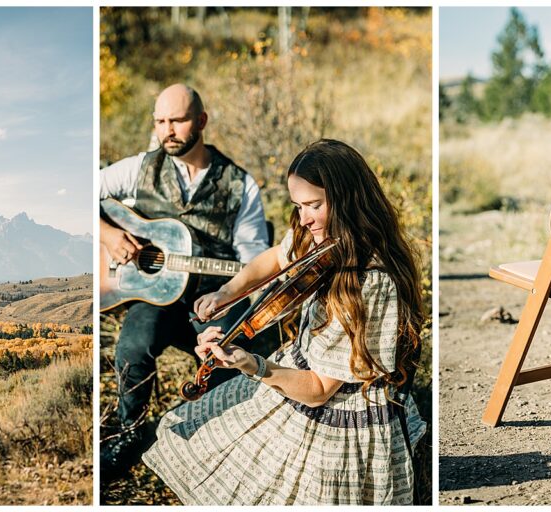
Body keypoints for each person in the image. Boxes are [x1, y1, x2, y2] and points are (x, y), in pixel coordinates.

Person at [142, 139, 428, 505]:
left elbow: (320, 389)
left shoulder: (371, 281)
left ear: (348, 200)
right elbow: (276, 258)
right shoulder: (320, 238)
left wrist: (253, 364)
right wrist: (227, 293)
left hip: (340, 413)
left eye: (314, 205)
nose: (305, 218)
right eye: (298, 205)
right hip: (299, 374)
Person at [99, 84, 275, 477]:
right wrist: (109, 236)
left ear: (201, 121)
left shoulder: (239, 184)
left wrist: (231, 294)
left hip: (216, 296)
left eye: (176, 121)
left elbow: (254, 261)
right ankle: (130, 432)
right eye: (160, 121)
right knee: (132, 345)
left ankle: (211, 439)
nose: (167, 131)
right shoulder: (139, 168)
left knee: (226, 352)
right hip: (154, 295)